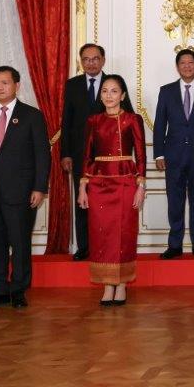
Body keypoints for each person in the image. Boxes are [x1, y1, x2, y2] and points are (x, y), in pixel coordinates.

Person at [0, 66, 50, 309]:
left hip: (21, 191)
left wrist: (39, 187)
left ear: (17, 86)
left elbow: (42, 156)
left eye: (5, 82)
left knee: (20, 242)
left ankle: (19, 290)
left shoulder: (32, 116)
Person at [61, 44, 134, 261]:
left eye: (95, 58)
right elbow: (66, 121)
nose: (91, 63)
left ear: (103, 60)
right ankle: (84, 246)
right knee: (83, 201)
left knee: (109, 206)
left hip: (109, 156)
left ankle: (106, 246)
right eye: (86, 59)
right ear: (80, 61)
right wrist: (66, 153)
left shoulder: (112, 83)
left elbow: (127, 117)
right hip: (79, 154)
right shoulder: (72, 85)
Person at [77, 75, 146, 306]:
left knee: (124, 232)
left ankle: (122, 284)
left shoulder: (132, 120)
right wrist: (82, 187)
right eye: (105, 91)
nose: (109, 95)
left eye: (114, 91)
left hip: (126, 182)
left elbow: (141, 154)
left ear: (123, 95)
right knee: (101, 233)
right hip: (98, 183)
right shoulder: (93, 121)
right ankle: (107, 285)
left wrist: (141, 185)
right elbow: (86, 156)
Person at [153, 49, 194, 259]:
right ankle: (175, 245)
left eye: (191, 62)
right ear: (177, 66)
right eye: (183, 63)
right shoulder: (167, 91)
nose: (187, 66)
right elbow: (160, 124)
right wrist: (159, 154)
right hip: (173, 156)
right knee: (175, 201)